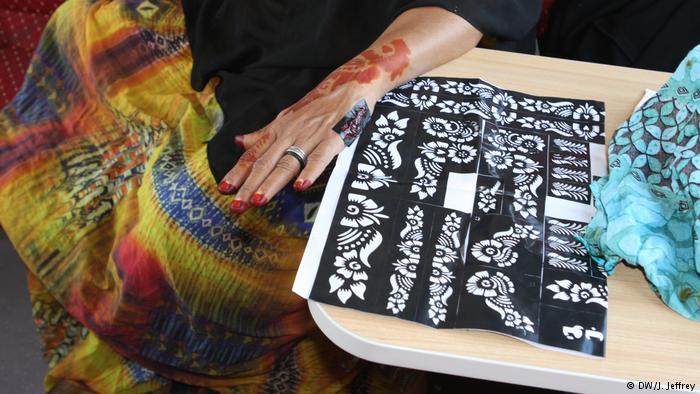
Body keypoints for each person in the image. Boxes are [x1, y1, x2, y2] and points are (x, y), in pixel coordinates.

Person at [0, 0, 539, 392]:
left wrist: (357, 83)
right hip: (247, 28)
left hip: (403, 50)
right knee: (83, 27)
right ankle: (100, 338)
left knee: (200, 245)